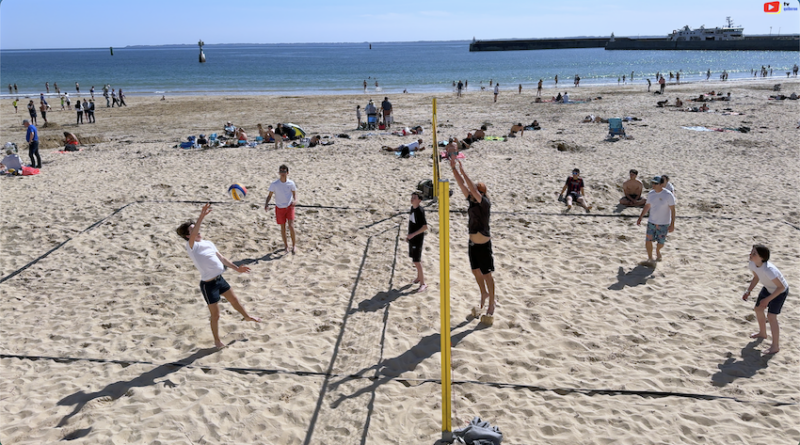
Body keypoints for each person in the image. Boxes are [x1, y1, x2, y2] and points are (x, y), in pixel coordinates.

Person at [177, 203, 261, 349]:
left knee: (234, 300)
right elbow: (196, 229)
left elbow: (222, 259)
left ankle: (247, 316)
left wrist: (237, 269)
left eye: (196, 229)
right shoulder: (192, 247)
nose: (198, 231)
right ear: (188, 236)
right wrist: (201, 217)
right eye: (193, 230)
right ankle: (217, 341)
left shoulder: (208, 243)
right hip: (208, 285)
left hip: (220, 280)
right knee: (216, 315)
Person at [449, 157, 495, 323]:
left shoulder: (485, 203)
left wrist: (463, 170)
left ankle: (491, 303)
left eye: (476, 190)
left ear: (481, 192)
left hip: (483, 244)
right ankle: (483, 293)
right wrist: (454, 168)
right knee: (476, 271)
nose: (472, 192)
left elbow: (469, 185)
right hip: (472, 243)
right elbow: (462, 185)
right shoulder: (471, 200)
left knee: (487, 274)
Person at [743, 245, 789, 354]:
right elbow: (756, 277)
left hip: (780, 292)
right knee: (758, 309)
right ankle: (762, 333)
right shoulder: (752, 264)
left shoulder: (769, 270)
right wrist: (748, 291)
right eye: (751, 252)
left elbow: (781, 287)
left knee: (771, 316)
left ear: (762, 258)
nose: (750, 255)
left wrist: (767, 299)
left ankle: (775, 346)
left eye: (754, 254)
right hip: (768, 288)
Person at [636, 176, 676, 265]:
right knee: (648, 240)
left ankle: (658, 251)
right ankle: (650, 258)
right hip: (652, 222)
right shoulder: (651, 194)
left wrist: (672, 224)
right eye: (652, 183)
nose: (653, 185)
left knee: (660, 243)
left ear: (662, 184)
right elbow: (647, 206)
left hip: (663, 223)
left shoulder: (668, 195)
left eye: (655, 183)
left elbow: (673, 210)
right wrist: (640, 217)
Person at [264, 164, 298, 254]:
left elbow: (294, 194)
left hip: (289, 207)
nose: (283, 173)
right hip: (279, 208)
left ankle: (294, 245)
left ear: (287, 173)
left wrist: (295, 200)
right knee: (282, 227)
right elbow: (269, 195)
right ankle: (286, 246)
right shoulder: (274, 184)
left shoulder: (291, 183)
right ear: (279, 173)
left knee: (291, 226)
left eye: (284, 171)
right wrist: (266, 204)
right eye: (281, 171)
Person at [407, 191, 428, 293]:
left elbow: (425, 227)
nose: (412, 199)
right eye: (412, 197)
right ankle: (419, 277)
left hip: (417, 239)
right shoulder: (412, 208)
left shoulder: (420, 211)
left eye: (414, 198)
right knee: (414, 260)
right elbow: (412, 224)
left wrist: (413, 235)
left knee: (417, 261)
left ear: (419, 200)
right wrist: (409, 236)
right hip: (412, 238)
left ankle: (423, 283)